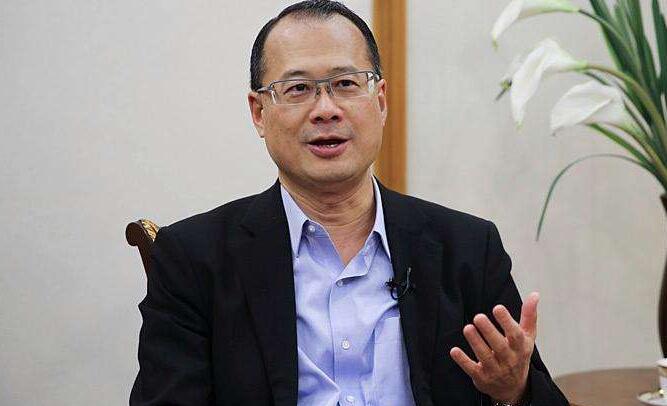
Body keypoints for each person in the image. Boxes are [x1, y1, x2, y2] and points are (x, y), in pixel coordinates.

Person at [129, 1, 569, 405]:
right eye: (298, 88)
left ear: (380, 101)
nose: (326, 109)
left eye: (345, 84)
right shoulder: (194, 259)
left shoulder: (467, 249)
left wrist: (515, 392)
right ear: (259, 113)